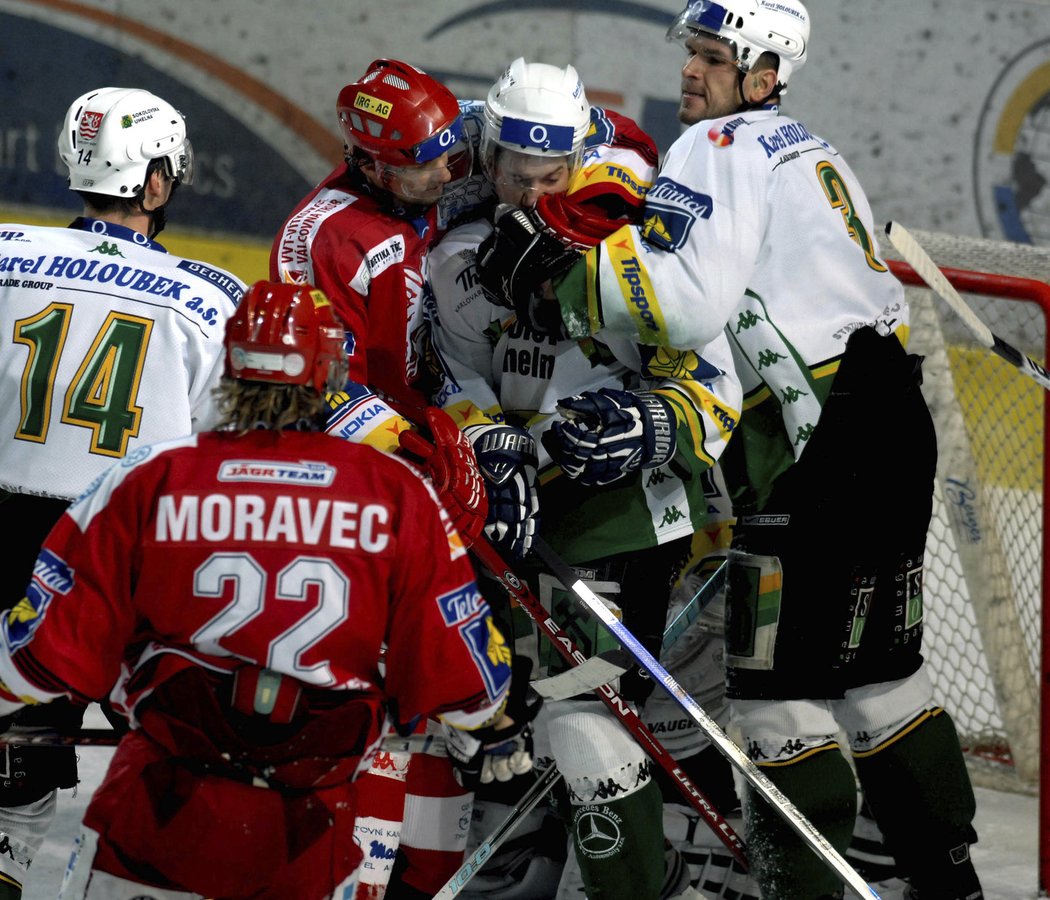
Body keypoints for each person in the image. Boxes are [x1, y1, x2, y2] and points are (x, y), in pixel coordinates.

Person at [476, 2, 986, 898]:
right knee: (881, 679)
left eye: (712, 60)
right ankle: (951, 882)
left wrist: (560, 278)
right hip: (897, 425)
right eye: (692, 57)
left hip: (819, 441)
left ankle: (802, 892)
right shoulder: (815, 151)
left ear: (760, 76)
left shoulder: (716, 149)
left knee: (776, 701)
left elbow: (684, 306)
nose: (691, 74)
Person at [0, 279, 535, 899]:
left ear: (231, 366)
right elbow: (464, 677)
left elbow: (36, 659)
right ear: (330, 373)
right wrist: (493, 725)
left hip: (154, 817)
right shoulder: (395, 493)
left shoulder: (148, 476)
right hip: (302, 836)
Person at [427, 57, 743, 900]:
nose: (530, 195)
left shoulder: (630, 246)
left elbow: (716, 388)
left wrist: (652, 426)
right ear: (487, 156)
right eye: (514, 175)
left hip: (635, 525)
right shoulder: (459, 255)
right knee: (528, 716)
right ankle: (548, 860)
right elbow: (454, 376)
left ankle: (680, 865)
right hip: (522, 521)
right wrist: (488, 445)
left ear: (581, 161)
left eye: (551, 177)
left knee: (633, 725)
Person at [268, 59, 523, 900]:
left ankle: (428, 881)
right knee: (391, 705)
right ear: (372, 162)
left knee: (443, 709)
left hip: (433, 470)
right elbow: (313, 390)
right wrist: (417, 463)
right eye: (431, 162)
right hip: (365, 500)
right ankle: (366, 880)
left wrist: (468, 437)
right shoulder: (325, 238)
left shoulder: (427, 162)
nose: (454, 173)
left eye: (456, 151)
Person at [0, 85, 244, 899]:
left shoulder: (2, 254)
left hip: (7, 538)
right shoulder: (208, 296)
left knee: (15, 770)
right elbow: (239, 441)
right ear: (155, 181)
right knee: (172, 756)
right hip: (124, 554)